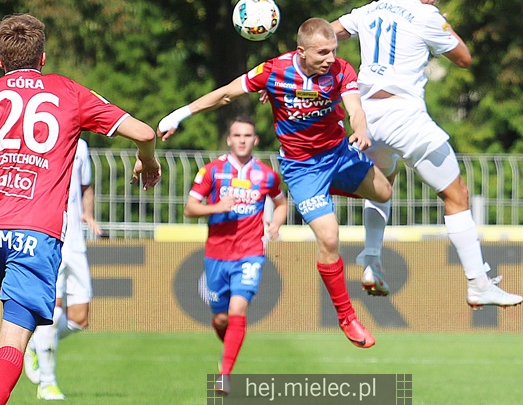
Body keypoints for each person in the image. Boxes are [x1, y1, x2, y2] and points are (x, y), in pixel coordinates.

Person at [0, 13, 161, 404]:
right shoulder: (70, 93)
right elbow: (144, 132)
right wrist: (148, 160)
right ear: (42, 58)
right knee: (13, 337)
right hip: (36, 231)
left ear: (0, 59)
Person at [158, 18, 392, 352]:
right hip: (302, 169)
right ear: (302, 51)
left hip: (338, 154)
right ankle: (347, 317)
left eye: (334, 51)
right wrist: (180, 114)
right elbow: (226, 94)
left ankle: (322, 198)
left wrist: (361, 129)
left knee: (385, 191)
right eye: (322, 52)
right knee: (329, 236)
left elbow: (354, 108)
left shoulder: (341, 69)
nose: (330, 58)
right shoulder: (272, 71)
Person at [331, 0, 523, 307]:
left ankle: (371, 260)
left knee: (381, 184)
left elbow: (330, 33)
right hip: (404, 117)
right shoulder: (427, 15)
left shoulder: (373, 8)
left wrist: (298, 62)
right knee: (456, 194)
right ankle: (479, 282)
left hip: (368, 115)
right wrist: (444, 26)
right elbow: (465, 59)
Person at [185, 116, 288, 395]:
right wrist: (216, 207)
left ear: (255, 140)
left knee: (237, 310)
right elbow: (190, 208)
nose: (242, 140)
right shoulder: (212, 171)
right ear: (229, 140)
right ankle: (228, 347)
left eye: (247, 136)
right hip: (216, 254)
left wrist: (276, 223)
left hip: (251, 253)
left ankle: (224, 374)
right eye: (237, 135)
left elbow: (281, 203)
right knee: (221, 320)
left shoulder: (267, 175)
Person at [22, 138, 102, 400]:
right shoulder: (35, 142)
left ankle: (35, 343)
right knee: (52, 315)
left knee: (80, 319)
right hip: (48, 239)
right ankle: (47, 382)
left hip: (76, 242)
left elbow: (86, 186)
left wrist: (88, 213)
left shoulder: (80, 146)